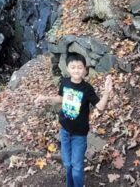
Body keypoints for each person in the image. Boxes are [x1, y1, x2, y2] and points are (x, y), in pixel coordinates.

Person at [35, 53, 114, 187]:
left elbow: (100, 107)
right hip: (65, 131)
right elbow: (61, 98)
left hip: (79, 134)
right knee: (67, 164)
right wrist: (45, 98)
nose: (76, 70)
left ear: (84, 70)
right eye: (73, 67)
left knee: (76, 168)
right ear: (67, 68)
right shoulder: (64, 82)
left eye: (79, 67)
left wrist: (106, 92)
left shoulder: (87, 88)